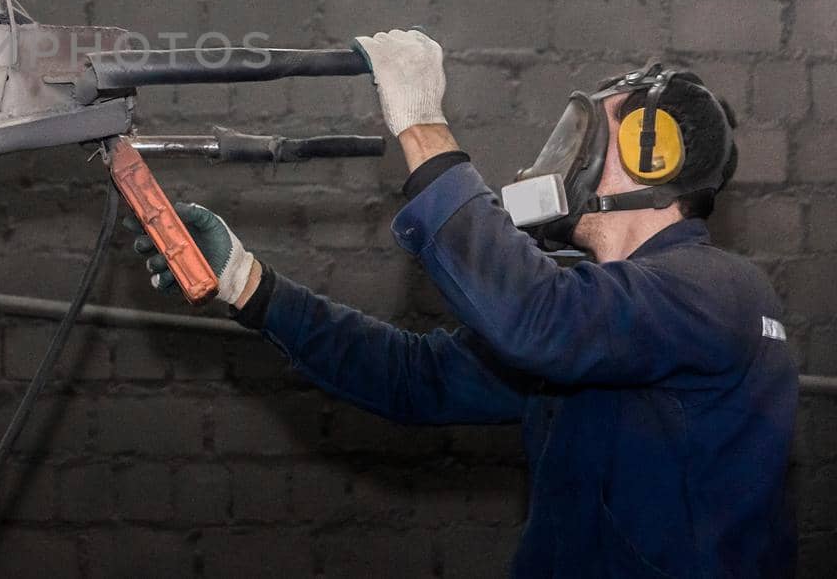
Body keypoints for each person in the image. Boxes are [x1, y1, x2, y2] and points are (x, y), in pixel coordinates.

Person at [129, 29, 796, 577]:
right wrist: (250, 283)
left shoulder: (721, 293)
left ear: (654, 154)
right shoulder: (594, 319)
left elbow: (538, 316)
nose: (567, 156)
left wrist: (421, 124)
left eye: (589, 137)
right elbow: (413, 378)